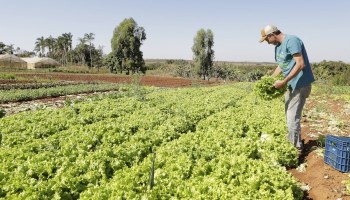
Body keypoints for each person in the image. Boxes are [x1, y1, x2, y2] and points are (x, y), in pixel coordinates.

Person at [259, 25, 315, 152]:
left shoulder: (291, 41)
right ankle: (294, 142)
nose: (267, 43)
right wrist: (270, 79)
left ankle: (295, 149)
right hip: (291, 85)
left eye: (267, 40)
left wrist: (283, 81)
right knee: (290, 116)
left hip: (300, 85)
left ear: (271, 35)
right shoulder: (278, 47)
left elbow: (300, 64)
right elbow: (282, 65)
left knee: (292, 117)